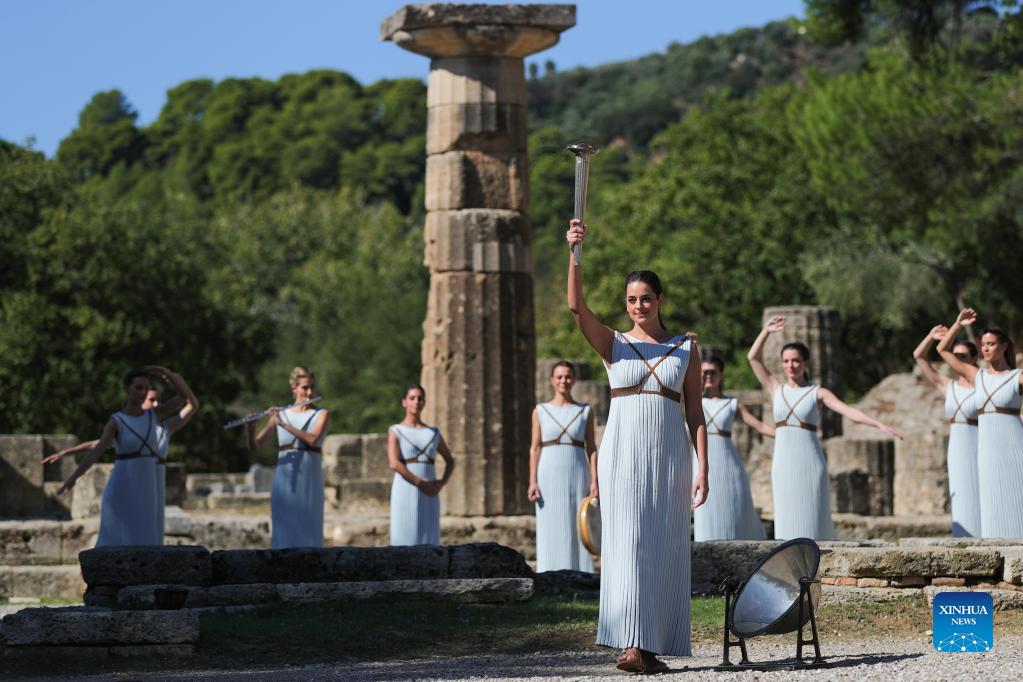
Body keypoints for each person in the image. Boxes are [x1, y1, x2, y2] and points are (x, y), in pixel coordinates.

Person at [566, 218, 708, 674]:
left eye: (646, 298)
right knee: (626, 543)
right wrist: (574, 253)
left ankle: (652, 644)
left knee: (663, 544)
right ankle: (630, 643)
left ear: (660, 300)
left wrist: (703, 468)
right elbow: (576, 308)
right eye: (631, 300)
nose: (638, 306)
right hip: (622, 454)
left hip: (669, 456)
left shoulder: (685, 348)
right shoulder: (614, 345)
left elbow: (695, 413)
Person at [748, 316, 901, 540]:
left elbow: (848, 411)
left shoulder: (817, 392)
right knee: (786, 514)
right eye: (786, 361)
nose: (791, 366)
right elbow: (753, 358)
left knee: (813, 515)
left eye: (796, 361)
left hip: (809, 461)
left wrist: (878, 424)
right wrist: (766, 332)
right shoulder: (775, 388)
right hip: (783, 462)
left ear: (806, 363)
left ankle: (819, 557)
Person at [45, 371, 198, 543]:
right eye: (139, 389)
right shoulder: (119, 422)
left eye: (147, 389)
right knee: (119, 538)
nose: (144, 393)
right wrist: (72, 472)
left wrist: (170, 376)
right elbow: (97, 447)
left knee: (148, 536)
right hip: (125, 482)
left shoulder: (161, 424)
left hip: (150, 483)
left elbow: (187, 400)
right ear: (127, 389)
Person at [937, 309, 1023, 538]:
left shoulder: (1017, 377)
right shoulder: (978, 376)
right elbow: (942, 350)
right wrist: (957, 324)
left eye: (991, 344)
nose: (985, 348)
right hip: (987, 452)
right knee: (992, 505)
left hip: (1015, 447)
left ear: (1004, 346)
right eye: (983, 344)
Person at [248, 367, 329, 548]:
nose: (310, 392)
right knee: (284, 523)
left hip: (310, 474)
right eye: (305, 388)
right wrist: (251, 428)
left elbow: (313, 439)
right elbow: (255, 444)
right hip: (284, 476)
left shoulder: (321, 414)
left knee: (309, 523)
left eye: (312, 387)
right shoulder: (281, 414)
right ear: (294, 388)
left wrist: (283, 424)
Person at [528, 360, 598, 572]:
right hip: (548, 473)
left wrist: (595, 480)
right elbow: (535, 448)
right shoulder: (540, 411)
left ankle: (581, 573)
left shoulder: (585, 411)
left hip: (577, 471)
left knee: (578, 523)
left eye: (568, 376)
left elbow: (592, 448)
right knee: (551, 524)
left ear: (573, 380)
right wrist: (532, 481)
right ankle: (549, 572)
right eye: (559, 377)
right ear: (552, 380)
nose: (563, 381)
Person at [694, 355, 772, 541]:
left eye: (712, 372)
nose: (708, 376)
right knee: (705, 509)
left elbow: (758, 425)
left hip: (728, 461)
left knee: (732, 505)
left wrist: (785, 432)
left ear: (721, 374)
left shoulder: (732, 403)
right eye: (704, 372)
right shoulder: (694, 401)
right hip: (701, 460)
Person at [913, 325, 981, 537]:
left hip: (979, 441)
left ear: (974, 358)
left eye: (962, 356)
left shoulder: (983, 384)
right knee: (960, 491)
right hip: (957, 445)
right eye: (954, 355)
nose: (957, 359)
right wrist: (931, 336)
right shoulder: (947, 385)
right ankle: (963, 537)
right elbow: (919, 356)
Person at [387, 384, 455, 545]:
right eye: (412, 398)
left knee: (429, 538)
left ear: (424, 402)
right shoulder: (396, 430)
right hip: (405, 488)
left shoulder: (433, 433)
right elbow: (394, 463)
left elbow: (450, 460)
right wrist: (419, 482)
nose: (416, 402)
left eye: (420, 398)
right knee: (404, 538)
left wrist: (441, 483)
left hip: (430, 491)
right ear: (404, 402)